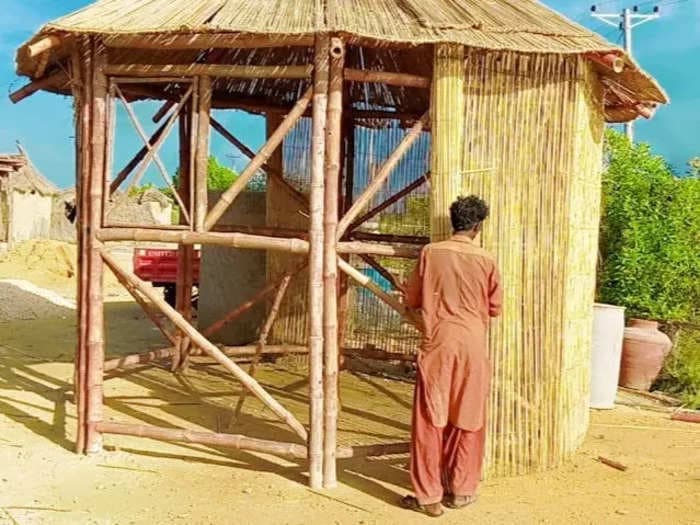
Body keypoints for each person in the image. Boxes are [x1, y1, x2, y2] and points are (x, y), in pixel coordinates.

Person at [400, 195, 502, 517]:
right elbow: (496, 307)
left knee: (430, 418)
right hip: (473, 346)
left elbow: (412, 298)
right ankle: (461, 490)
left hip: (439, 344)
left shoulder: (430, 253)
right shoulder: (487, 260)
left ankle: (428, 496)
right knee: (468, 418)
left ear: (453, 221)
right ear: (477, 226)